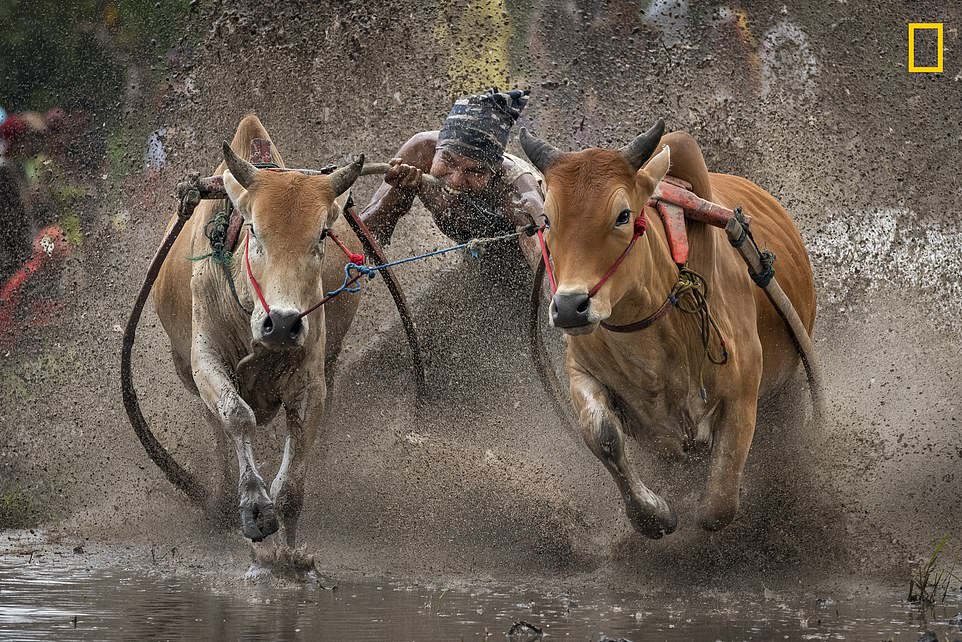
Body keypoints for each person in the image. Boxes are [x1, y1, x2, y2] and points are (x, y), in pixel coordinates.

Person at [360, 89, 545, 269]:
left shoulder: (517, 189)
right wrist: (398, 193)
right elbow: (363, 232)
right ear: (437, 148)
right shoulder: (420, 152)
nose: (456, 180)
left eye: (475, 172)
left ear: (494, 171)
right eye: (448, 161)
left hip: (522, 270)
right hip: (474, 263)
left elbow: (547, 262)